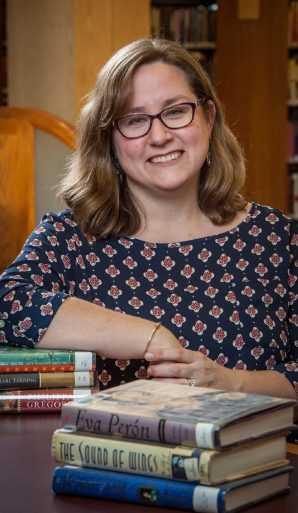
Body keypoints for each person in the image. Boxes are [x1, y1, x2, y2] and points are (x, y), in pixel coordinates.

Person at [0, 37, 297, 400]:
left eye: (175, 111)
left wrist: (230, 383)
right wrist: (152, 336)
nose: (160, 136)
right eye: (135, 120)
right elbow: (9, 304)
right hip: (107, 456)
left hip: (259, 456)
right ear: (109, 139)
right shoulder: (69, 238)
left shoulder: (277, 239)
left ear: (208, 116)